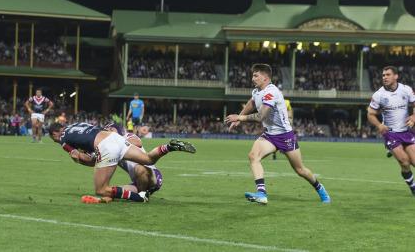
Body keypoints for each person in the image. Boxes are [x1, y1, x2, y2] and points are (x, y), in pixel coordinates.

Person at [225, 63, 330, 205]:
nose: (252, 78)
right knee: (253, 156)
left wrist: (240, 118)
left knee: (300, 169)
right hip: (270, 135)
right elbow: (252, 102)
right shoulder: (257, 91)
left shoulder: (271, 93)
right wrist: (240, 115)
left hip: (285, 136)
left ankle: (320, 189)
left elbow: (261, 116)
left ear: (265, 78)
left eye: (256, 75)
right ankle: (261, 194)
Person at [49, 121, 195, 203]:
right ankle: (168, 147)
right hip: (115, 139)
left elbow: (83, 158)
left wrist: (78, 158)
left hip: (106, 146)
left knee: (100, 189)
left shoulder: (62, 139)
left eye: (53, 139)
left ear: (55, 133)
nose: (56, 141)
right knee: (148, 158)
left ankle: (139, 197)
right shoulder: (78, 123)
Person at [367, 66, 415, 196]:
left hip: (407, 131)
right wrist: (379, 125)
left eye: (388, 75)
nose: (384, 77)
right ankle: (413, 187)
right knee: (404, 162)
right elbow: (370, 114)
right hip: (391, 133)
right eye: (383, 75)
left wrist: (414, 116)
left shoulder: (406, 90)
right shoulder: (379, 95)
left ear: (396, 76)